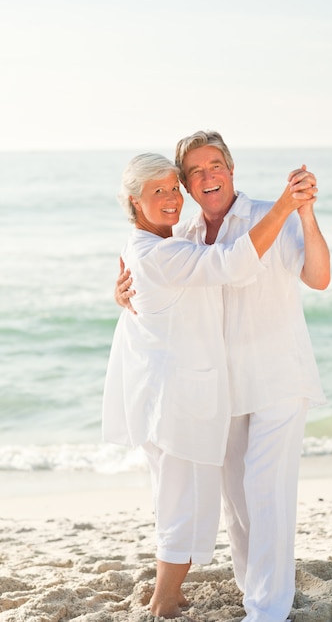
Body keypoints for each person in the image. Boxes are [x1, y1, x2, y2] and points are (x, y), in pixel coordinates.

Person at [104, 151, 318, 620]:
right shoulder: (170, 247)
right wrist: (286, 205)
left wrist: (119, 288)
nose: (169, 198)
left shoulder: (173, 241)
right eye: (156, 190)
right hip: (185, 397)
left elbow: (313, 276)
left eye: (170, 188)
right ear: (133, 201)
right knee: (195, 498)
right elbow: (230, 264)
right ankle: (172, 598)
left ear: (231, 169)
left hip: (240, 384)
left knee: (231, 496)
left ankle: (248, 602)